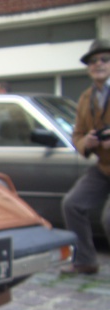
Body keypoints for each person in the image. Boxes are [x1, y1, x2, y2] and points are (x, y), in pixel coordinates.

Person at [61, 39, 110, 275]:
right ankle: (86, 261)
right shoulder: (85, 98)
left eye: (104, 59)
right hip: (104, 167)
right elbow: (77, 134)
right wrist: (86, 142)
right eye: (92, 61)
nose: (98, 64)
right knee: (73, 203)